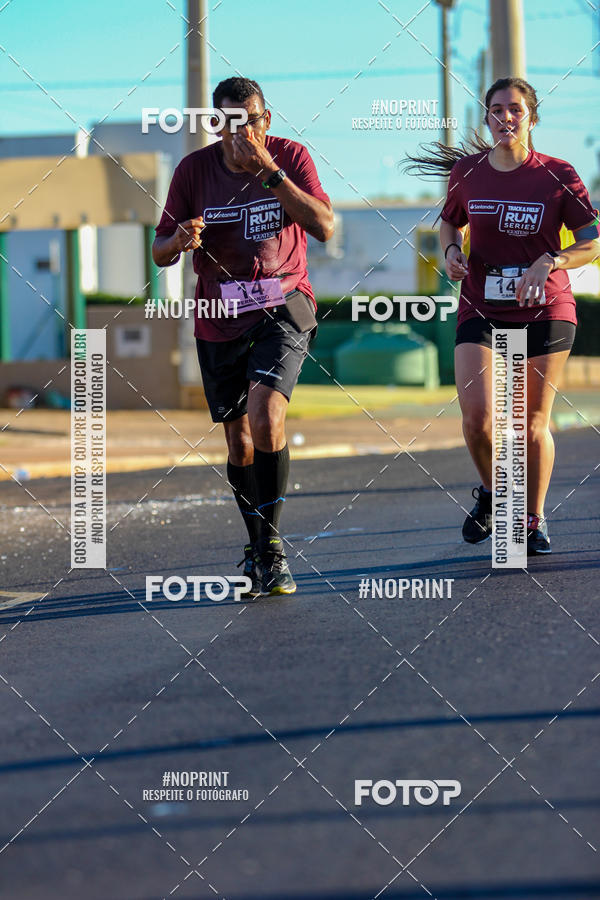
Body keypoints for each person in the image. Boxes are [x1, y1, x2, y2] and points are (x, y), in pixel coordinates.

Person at [152, 76, 334, 594]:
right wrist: (178, 240)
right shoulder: (193, 171)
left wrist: (270, 173)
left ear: (265, 120)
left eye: (250, 121)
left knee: (266, 414)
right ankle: (257, 543)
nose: (241, 133)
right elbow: (159, 250)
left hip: (284, 304)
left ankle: (272, 548)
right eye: (230, 123)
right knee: (238, 441)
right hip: (219, 315)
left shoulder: (290, 157)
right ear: (215, 124)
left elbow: (324, 226)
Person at [406, 77, 599, 555]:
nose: (505, 117)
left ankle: (532, 519)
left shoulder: (558, 174)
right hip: (482, 303)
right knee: (478, 420)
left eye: (515, 108)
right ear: (487, 116)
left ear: (532, 117)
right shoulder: (468, 172)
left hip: (545, 306)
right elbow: (450, 220)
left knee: (530, 422)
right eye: (496, 109)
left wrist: (551, 259)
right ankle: (495, 494)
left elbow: (592, 241)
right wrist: (451, 249)